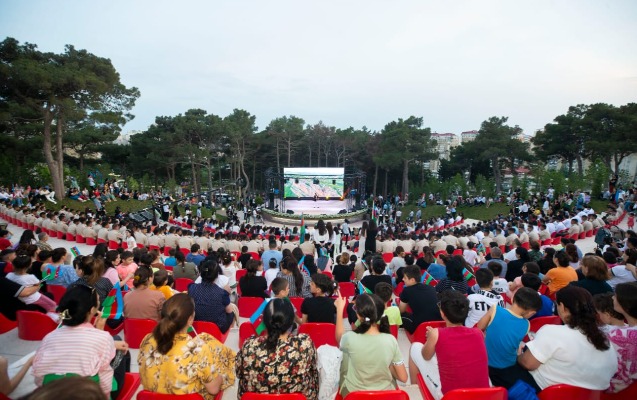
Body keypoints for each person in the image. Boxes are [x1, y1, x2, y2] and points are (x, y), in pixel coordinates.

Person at [32, 285, 129, 399]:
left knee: (115, 342)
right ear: (92, 310)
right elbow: (105, 381)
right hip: (90, 395)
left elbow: (39, 379)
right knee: (121, 349)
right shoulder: (103, 338)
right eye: (98, 301)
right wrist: (100, 332)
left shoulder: (49, 337)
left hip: (54, 395)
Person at [517, 285, 618, 392]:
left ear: (562, 307)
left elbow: (527, 363)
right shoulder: (606, 342)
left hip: (540, 392)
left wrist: (518, 355)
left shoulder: (552, 332)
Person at [137, 294, 235, 399]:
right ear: (190, 319)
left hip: (152, 396)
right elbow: (213, 390)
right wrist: (220, 376)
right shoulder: (197, 349)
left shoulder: (147, 339)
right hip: (189, 395)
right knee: (221, 361)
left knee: (205, 338)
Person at [409, 291, 490, 399]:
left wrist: (430, 339)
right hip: (482, 395)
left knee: (415, 347)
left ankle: (414, 392)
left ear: (442, 313)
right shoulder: (479, 333)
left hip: (450, 396)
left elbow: (425, 356)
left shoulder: (436, 334)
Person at [236, 298, 319, 400]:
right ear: (291, 322)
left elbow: (238, 373)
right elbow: (313, 369)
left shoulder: (249, 345)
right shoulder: (305, 344)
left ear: (264, 321)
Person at [335, 293, 407, 396]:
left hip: (354, 394)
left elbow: (339, 338)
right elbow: (403, 378)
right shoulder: (391, 340)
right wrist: (388, 365)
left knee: (345, 355)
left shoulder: (349, 338)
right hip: (385, 394)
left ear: (359, 316)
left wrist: (339, 311)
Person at [477, 287, 542, 389]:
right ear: (531, 313)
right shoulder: (526, 324)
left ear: (512, 299)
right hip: (508, 368)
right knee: (533, 388)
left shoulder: (495, 309)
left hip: (486, 365)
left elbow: (480, 327)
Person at [605, 282, 637, 393]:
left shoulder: (618, 335)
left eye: (615, 296)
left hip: (618, 390)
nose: (612, 298)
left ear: (625, 303)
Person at [5, 254, 58, 320]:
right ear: (29, 265)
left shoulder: (9, 275)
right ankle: (53, 318)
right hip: (34, 298)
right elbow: (38, 285)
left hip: (21, 300)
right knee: (53, 305)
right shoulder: (30, 277)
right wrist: (39, 284)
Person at [188, 260, 235, 333]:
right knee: (232, 311)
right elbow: (229, 311)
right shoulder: (222, 293)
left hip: (196, 326)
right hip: (217, 328)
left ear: (201, 273)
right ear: (217, 275)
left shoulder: (191, 288)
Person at [399, 265, 442, 333]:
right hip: (438, 324)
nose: (402, 279)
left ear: (412, 280)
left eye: (405, 278)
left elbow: (401, 310)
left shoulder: (406, 290)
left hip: (420, 326)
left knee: (398, 316)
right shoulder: (431, 287)